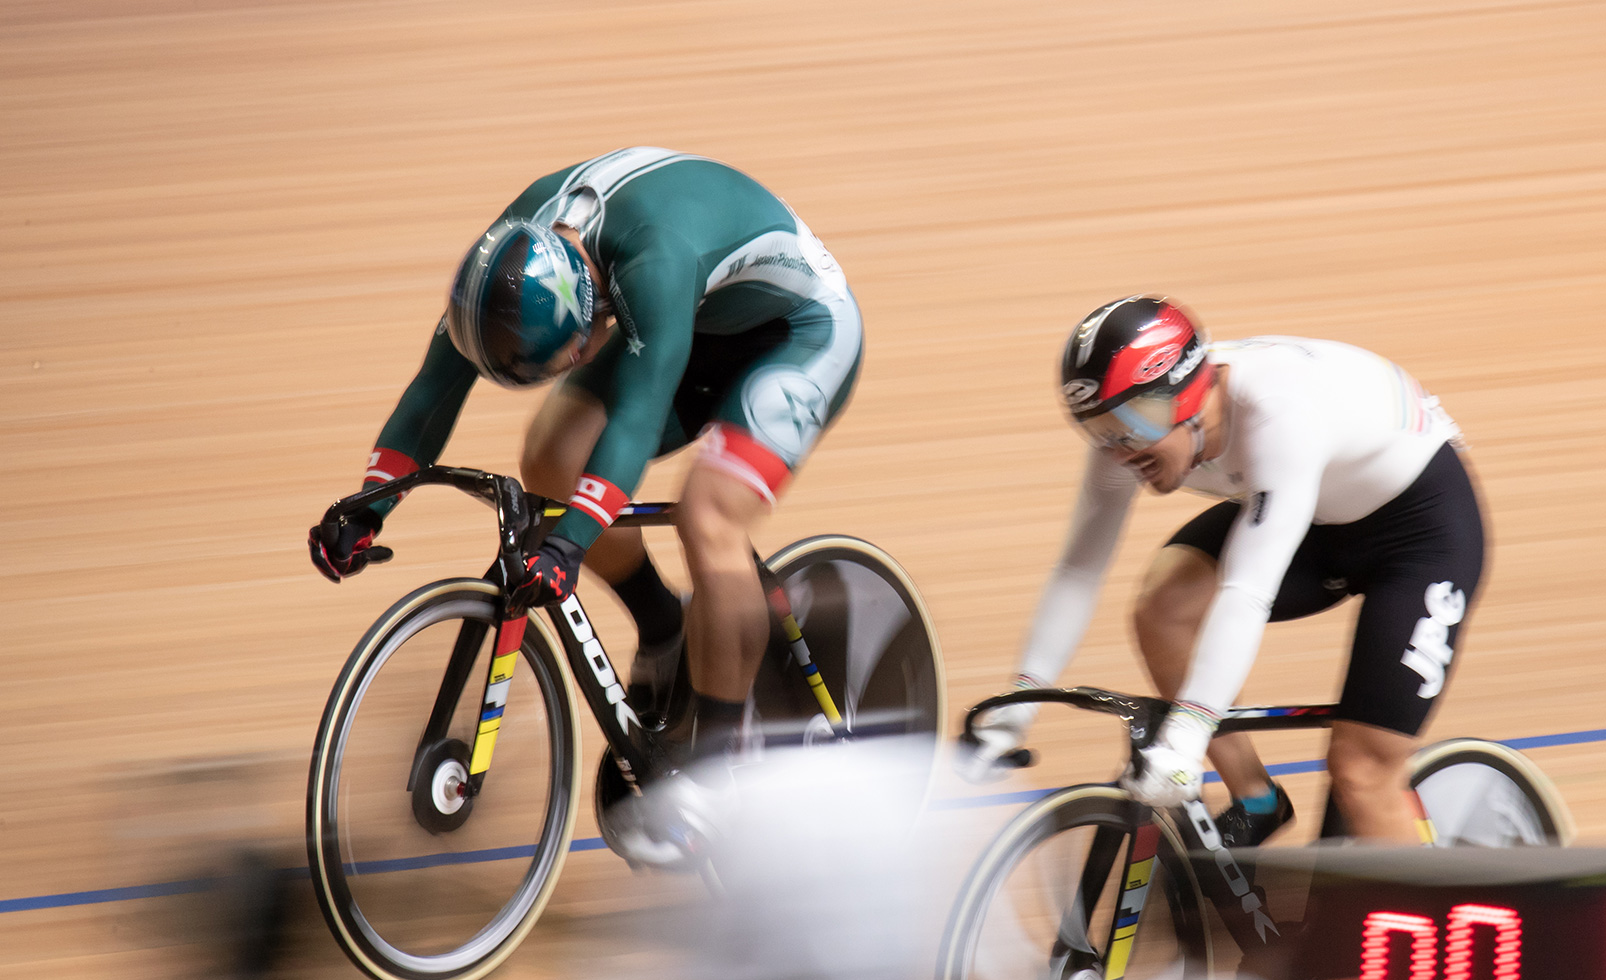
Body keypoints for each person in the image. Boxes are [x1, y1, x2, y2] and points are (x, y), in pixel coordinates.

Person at [307, 146, 862, 762]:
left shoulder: (655, 261)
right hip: (692, 319)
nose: (574, 365)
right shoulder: (507, 259)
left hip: (798, 331)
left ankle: (717, 775)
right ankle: (663, 625)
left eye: (570, 354)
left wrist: (568, 545)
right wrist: (370, 509)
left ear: (591, 313)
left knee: (707, 517)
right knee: (552, 458)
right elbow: (434, 389)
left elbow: (634, 419)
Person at [965, 297, 1485, 845]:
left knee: (1362, 771)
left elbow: (1247, 591)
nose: (1119, 450)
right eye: (1098, 429)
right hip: (1313, 514)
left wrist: (1187, 737)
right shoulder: (1133, 434)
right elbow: (1077, 570)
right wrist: (1016, 711)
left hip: (1421, 534)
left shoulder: (1277, 408)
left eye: (1128, 426)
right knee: (1165, 608)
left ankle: (1422, 918)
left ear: (1186, 394)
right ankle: (1256, 798)